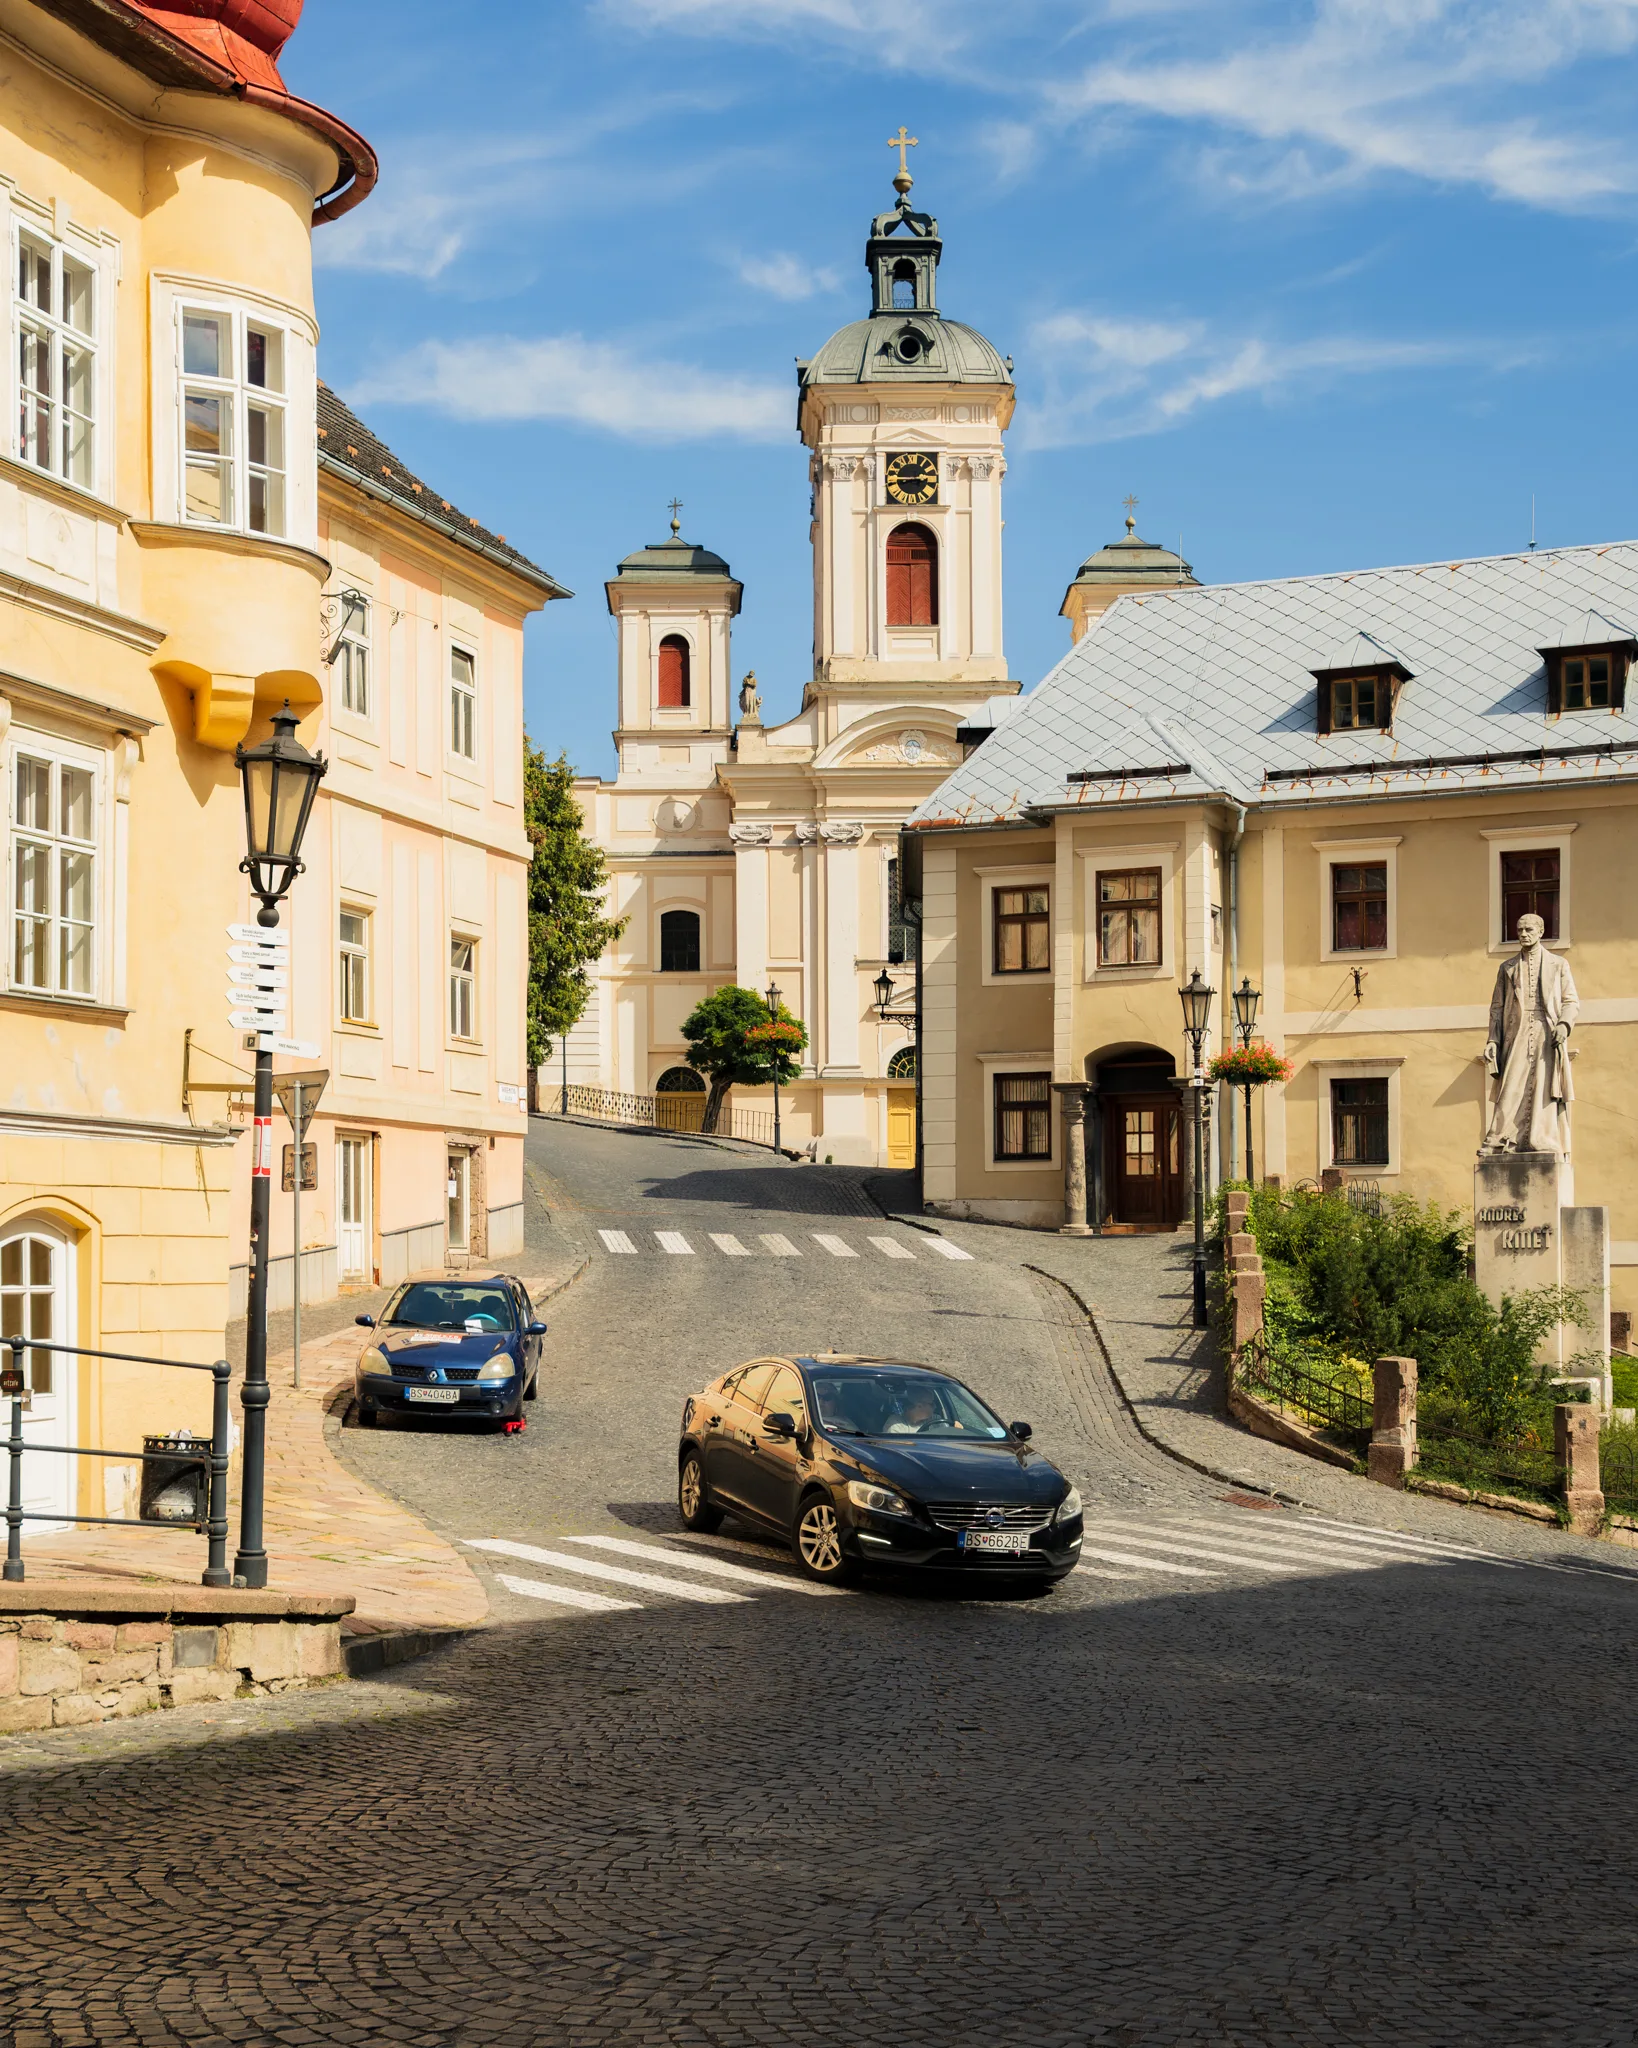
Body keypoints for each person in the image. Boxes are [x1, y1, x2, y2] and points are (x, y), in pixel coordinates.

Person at [1482, 911, 1579, 1156]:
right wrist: (1493, 1039)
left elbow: (1571, 1001)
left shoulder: (1559, 964)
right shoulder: (1507, 968)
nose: (1523, 934)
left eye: (1529, 930)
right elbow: (1497, 1007)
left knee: (1544, 1085)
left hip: (1548, 1030)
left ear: (1541, 932)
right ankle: (1500, 1139)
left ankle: (1541, 1138)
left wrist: (1564, 1025)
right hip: (1516, 1029)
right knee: (1511, 1084)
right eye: (1520, 930)